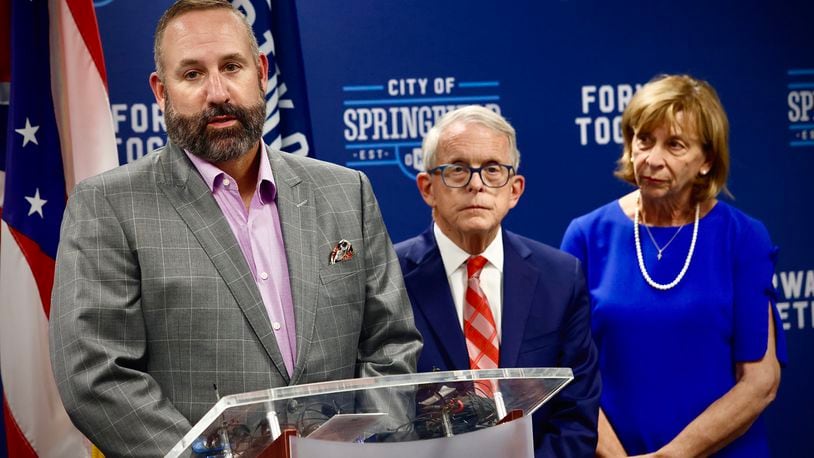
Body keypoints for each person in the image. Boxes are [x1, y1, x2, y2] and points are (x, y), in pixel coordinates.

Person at [48, 1, 421, 456]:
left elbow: (391, 344)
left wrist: (366, 446)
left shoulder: (347, 191)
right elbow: (95, 373)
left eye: (231, 66)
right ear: (160, 92)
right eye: (192, 74)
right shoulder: (108, 205)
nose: (218, 92)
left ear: (260, 71)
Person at [560, 74, 786, 457]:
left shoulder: (743, 237)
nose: (652, 158)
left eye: (675, 145)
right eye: (643, 139)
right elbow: (569, 377)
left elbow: (760, 381)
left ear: (706, 161)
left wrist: (673, 455)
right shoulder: (586, 235)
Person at [395, 105, 600, 457]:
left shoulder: (561, 279)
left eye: (492, 170)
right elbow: (380, 412)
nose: (476, 184)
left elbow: (575, 416)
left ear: (515, 189)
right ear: (428, 188)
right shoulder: (388, 277)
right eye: (457, 169)